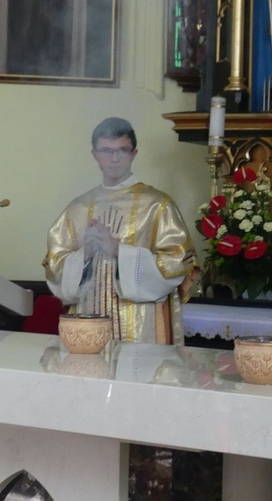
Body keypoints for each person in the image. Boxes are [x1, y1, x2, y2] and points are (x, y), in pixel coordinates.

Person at [43, 117, 199, 345]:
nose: (114, 158)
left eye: (122, 150)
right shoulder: (78, 207)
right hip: (87, 320)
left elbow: (177, 264)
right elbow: (55, 266)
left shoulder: (157, 204)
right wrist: (84, 255)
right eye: (106, 150)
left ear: (134, 153)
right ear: (94, 154)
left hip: (141, 323)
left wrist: (118, 251)